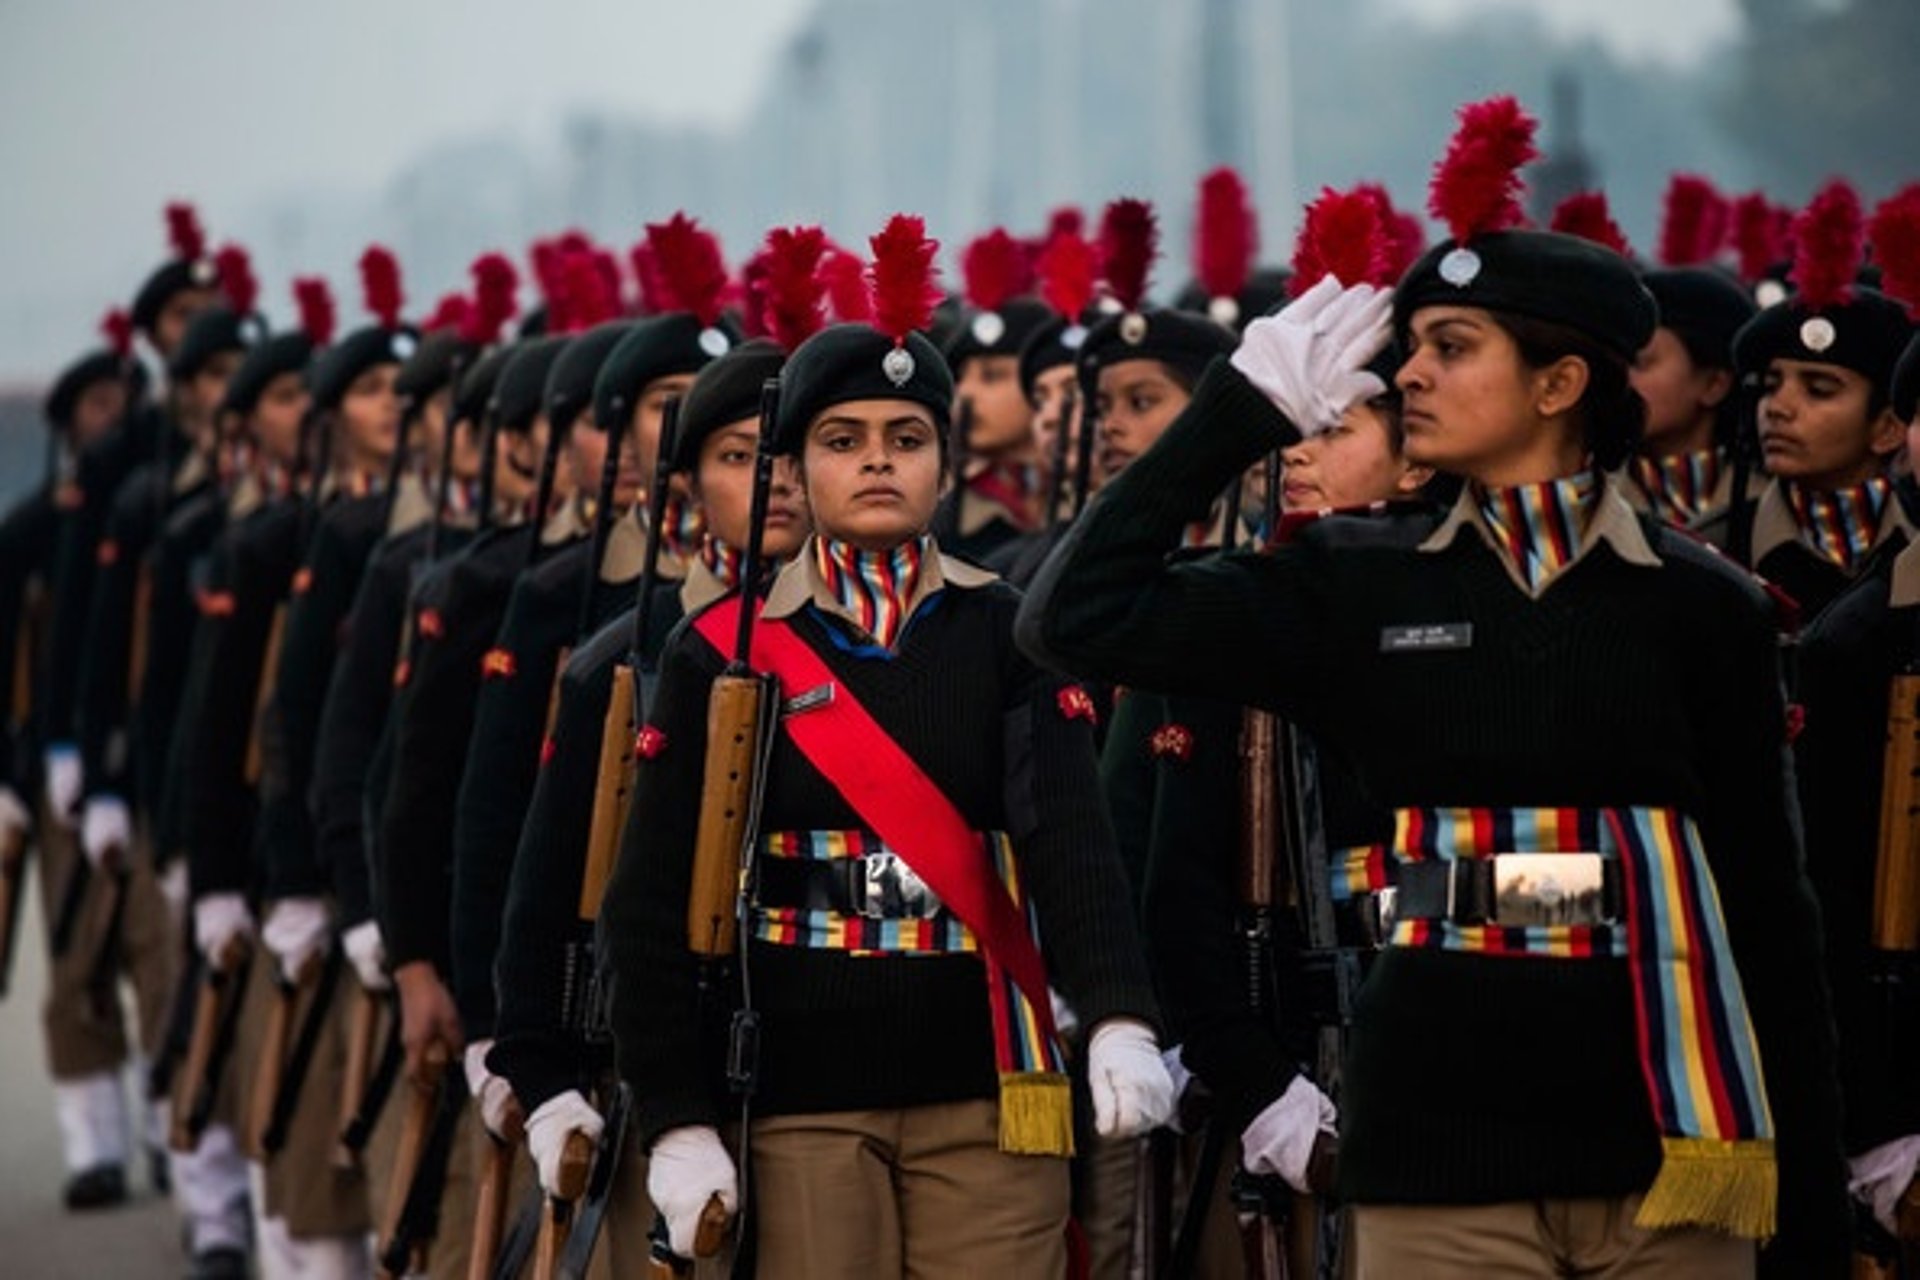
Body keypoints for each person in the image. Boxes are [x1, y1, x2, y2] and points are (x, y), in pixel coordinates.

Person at [1018, 97, 1849, 1277]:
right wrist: (1238, 412)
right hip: (1433, 1155)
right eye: (1411, 345)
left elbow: (1769, 911)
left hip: (1670, 1144)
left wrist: (1810, 1218)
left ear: (1560, 383)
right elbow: (1074, 616)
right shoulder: (1351, 586)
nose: (1406, 372)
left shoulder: (1700, 607)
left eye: (1451, 346)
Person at [601, 214, 1174, 1279]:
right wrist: (676, 1116)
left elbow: (1072, 843)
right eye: (843, 439)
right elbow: (647, 901)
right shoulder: (720, 647)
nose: (876, 461)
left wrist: (1116, 1016)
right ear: (798, 465)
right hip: (801, 1092)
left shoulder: (1011, 626)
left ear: (945, 462)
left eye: (905, 439)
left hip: (992, 1082)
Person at [1699, 181, 1916, 621]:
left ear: (1889, 427)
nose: (1778, 408)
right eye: (1772, 384)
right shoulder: (1714, 551)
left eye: (1819, 389)